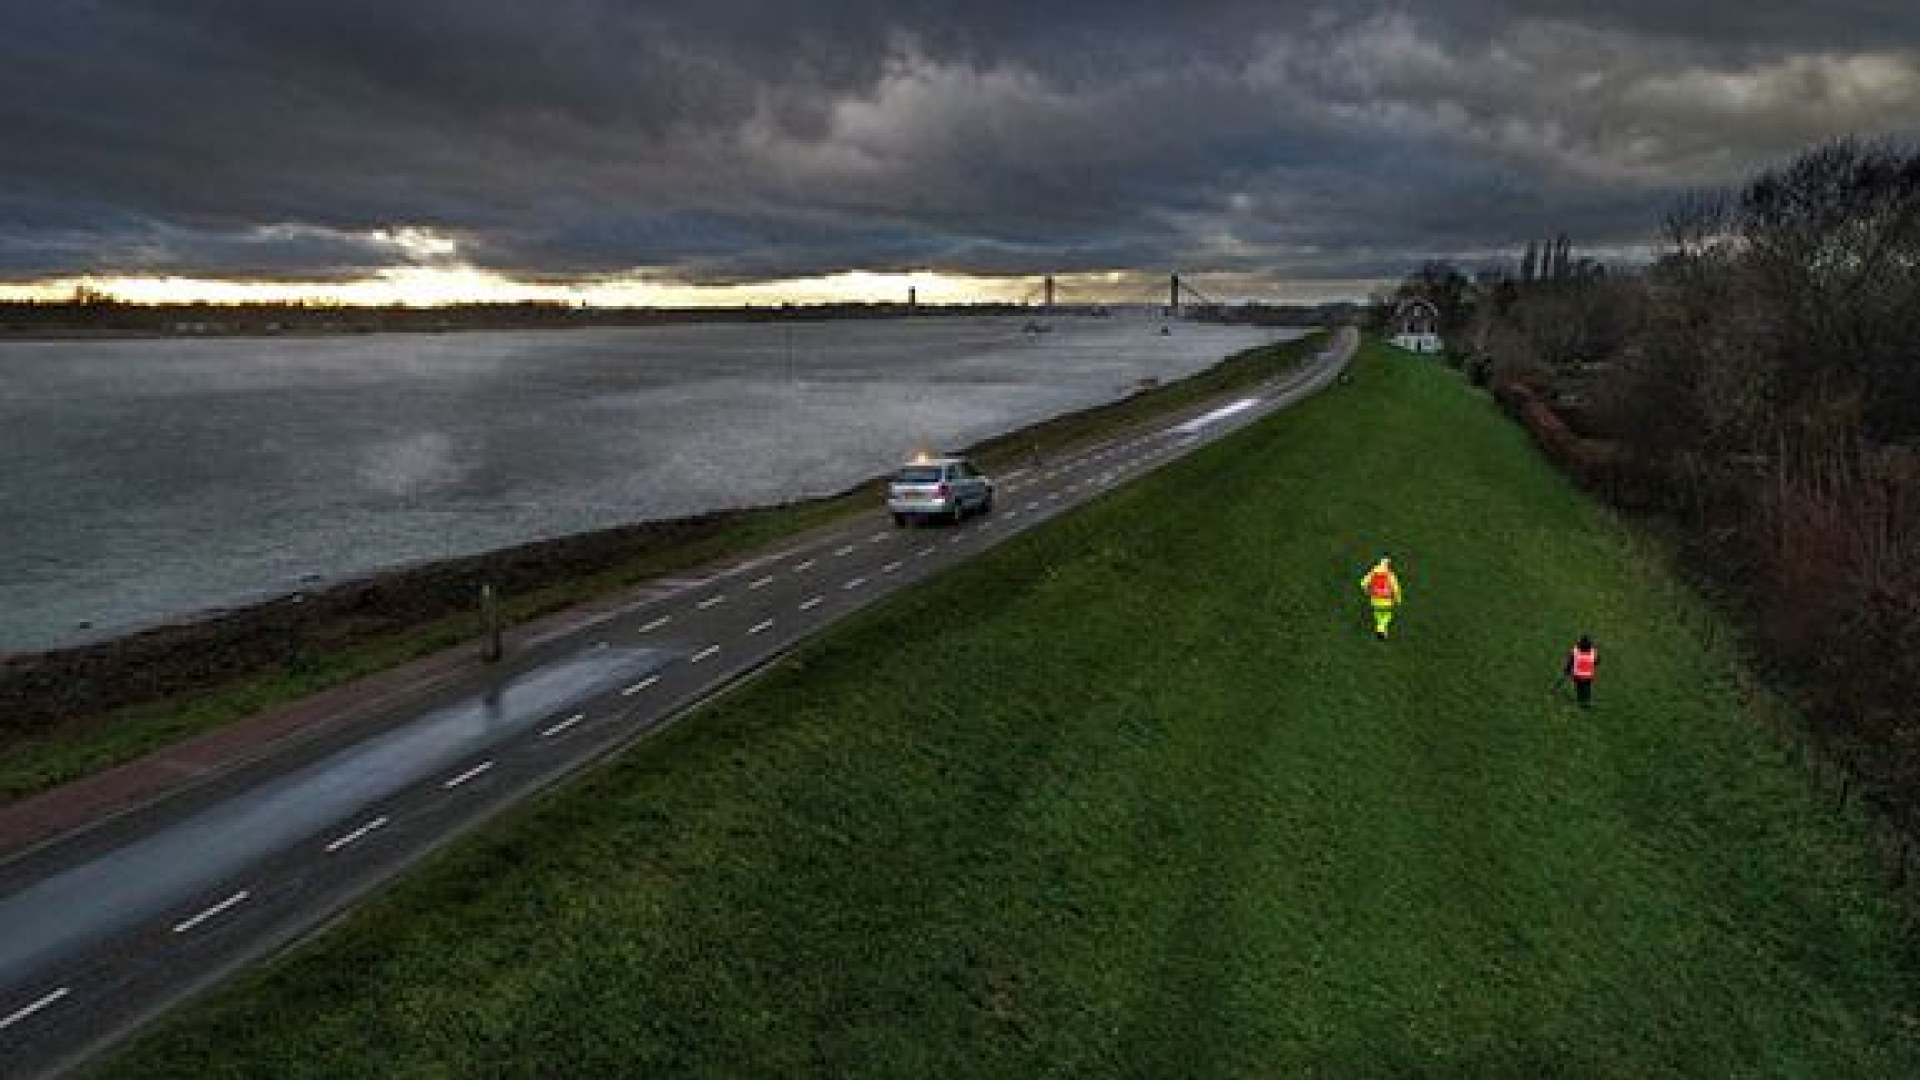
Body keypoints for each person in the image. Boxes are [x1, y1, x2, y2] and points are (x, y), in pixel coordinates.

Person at [1359, 556, 1401, 639]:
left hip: (1375, 599)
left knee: (1378, 613)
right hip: (1387, 600)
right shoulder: (1390, 575)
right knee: (1387, 615)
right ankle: (1381, 627)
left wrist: (1368, 591)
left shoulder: (1373, 573)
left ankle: (1381, 628)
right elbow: (1395, 588)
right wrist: (1397, 598)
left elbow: (1363, 583)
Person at [1564, 635, 1598, 706]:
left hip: (1577, 676)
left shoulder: (1576, 651)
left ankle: (1580, 699)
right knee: (1587, 688)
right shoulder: (1593, 652)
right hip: (1589, 676)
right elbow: (1597, 662)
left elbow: (1570, 662)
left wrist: (1567, 670)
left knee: (1579, 687)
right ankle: (1587, 700)